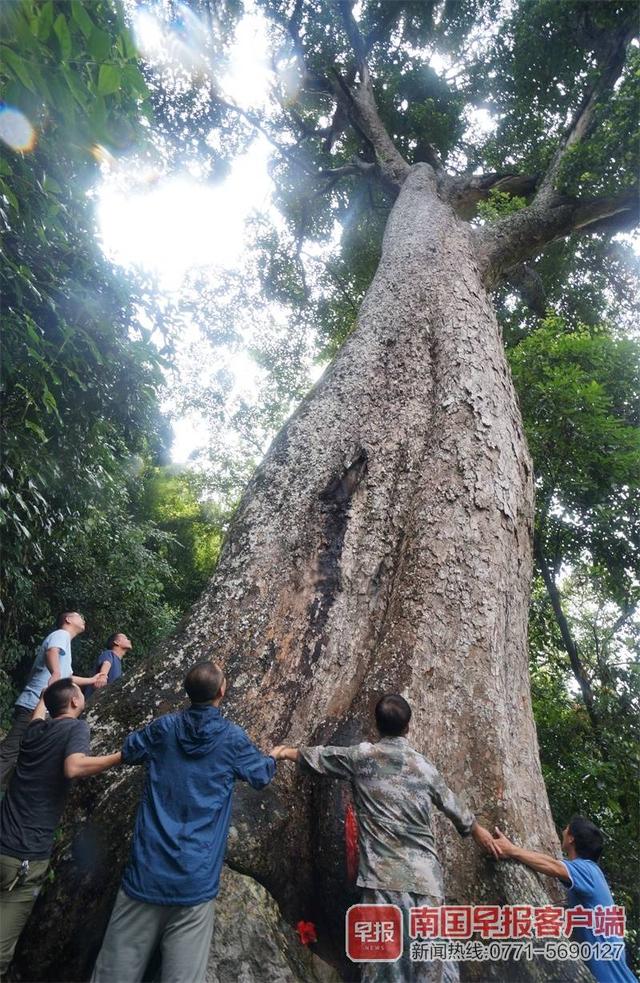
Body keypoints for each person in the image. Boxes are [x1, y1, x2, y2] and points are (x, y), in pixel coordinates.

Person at [272, 694, 500, 983]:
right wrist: (479, 833)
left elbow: (322, 757)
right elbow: (454, 807)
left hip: (383, 880)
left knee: (385, 966)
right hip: (425, 881)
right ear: (408, 726)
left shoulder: (362, 758)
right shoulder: (424, 767)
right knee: (430, 964)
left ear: (376, 725)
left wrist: (284, 752)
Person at [91, 660, 276, 983]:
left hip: (146, 870)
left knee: (113, 974)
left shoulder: (164, 729)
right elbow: (260, 774)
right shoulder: (232, 739)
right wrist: (275, 757)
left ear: (187, 692)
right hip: (195, 877)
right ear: (222, 691)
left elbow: (131, 749)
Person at [0, 679, 122, 974]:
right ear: (75, 702)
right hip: (25, 855)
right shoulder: (75, 729)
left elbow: (38, 713)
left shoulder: (34, 731)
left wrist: (45, 694)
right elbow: (73, 766)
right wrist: (122, 756)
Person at [493, 818, 636, 983]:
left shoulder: (588, 871)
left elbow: (552, 866)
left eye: (566, 828)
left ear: (571, 838)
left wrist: (512, 850)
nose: (562, 831)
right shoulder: (591, 873)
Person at [0, 612, 107, 788]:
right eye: (79, 616)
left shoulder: (65, 644)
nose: (83, 619)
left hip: (42, 706)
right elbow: (52, 652)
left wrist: (91, 680)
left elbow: (68, 677)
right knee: (10, 752)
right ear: (68, 620)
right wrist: (55, 673)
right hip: (35, 703)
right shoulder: (61, 634)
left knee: (22, 754)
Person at [85, 632, 132, 697]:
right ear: (116, 642)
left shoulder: (119, 663)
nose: (129, 640)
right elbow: (106, 663)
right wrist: (103, 676)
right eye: (125, 638)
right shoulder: (109, 653)